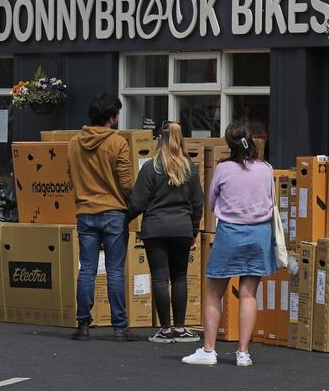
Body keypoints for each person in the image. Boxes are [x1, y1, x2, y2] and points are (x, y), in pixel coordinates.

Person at [182, 121, 276, 367]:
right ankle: (243, 353)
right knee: (248, 294)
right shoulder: (266, 168)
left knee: (214, 291)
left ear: (229, 143)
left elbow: (212, 201)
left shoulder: (223, 169)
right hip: (259, 235)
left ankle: (209, 349)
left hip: (230, 233)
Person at [68, 93, 139, 342]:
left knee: (86, 269)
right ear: (111, 118)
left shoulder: (75, 142)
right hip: (113, 213)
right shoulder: (117, 143)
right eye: (116, 115)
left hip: (85, 212)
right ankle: (120, 327)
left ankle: (83, 324)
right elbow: (127, 184)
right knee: (115, 271)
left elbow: (71, 175)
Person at [127, 121, 204, 343]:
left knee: (160, 279)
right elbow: (197, 203)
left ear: (159, 140)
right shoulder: (190, 168)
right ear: (180, 140)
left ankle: (165, 329)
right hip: (182, 228)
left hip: (155, 229)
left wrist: (124, 221)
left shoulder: (151, 167)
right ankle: (180, 328)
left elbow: (137, 202)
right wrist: (194, 231)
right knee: (179, 277)